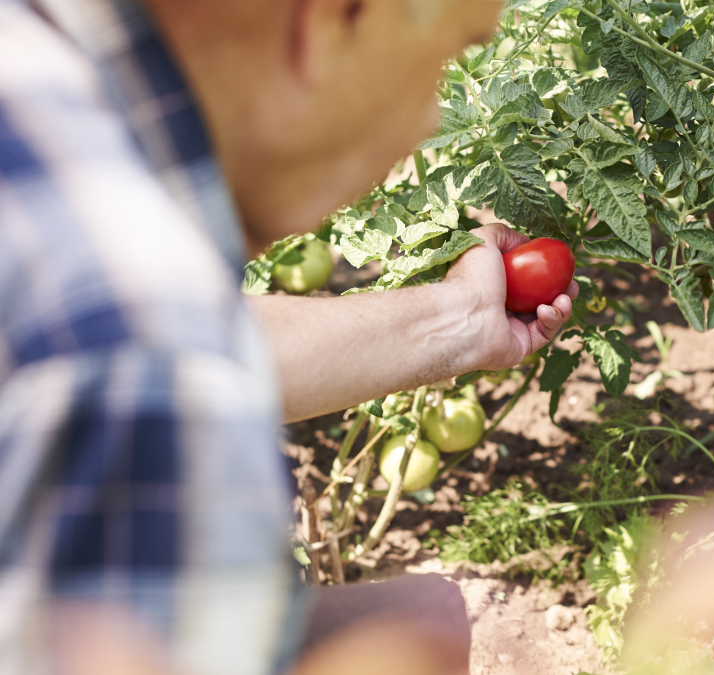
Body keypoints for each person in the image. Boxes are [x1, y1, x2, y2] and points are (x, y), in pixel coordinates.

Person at [0, 0, 576, 673]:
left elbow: (179, 333)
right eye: (445, 60)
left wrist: (458, 318)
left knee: (423, 618)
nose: (430, 123)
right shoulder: (142, 356)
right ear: (335, 20)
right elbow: (153, 351)